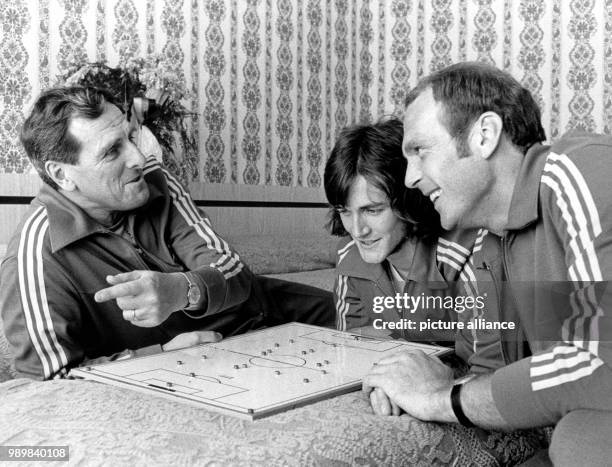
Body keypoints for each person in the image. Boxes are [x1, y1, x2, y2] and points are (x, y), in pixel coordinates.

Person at [363, 62, 612, 465]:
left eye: (420, 151)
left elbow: (597, 361)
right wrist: (426, 380)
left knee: (579, 441)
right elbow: (530, 377)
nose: (409, 178)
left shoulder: (580, 171)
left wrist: (440, 398)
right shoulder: (503, 237)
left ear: (484, 135)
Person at [0, 86, 333, 380]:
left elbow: (235, 272)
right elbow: (48, 380)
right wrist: (156, 358)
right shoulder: (32, 257)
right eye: (112, 151)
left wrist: (182, 289)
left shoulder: (154, 178)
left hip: (270, 308)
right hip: (224, 360)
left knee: (375, 315)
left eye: (131, 137)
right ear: (61, 175)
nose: (140, 157)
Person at [323, 118, 508, 369]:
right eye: (345, 211)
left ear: (407, 201)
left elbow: (485, 369)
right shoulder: (349, 258)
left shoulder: (467, 253)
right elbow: (351, 355)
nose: (357, 231)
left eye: (373, 211)